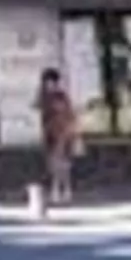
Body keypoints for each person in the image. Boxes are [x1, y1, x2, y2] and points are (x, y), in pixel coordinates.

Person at [36, 68, 80, 205]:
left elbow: (68, 115)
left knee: (61, 163)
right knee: (54, 163)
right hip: (50, 134)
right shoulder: (44, 97)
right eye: (46, 83)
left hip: (62, 133)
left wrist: (72, 133)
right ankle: (60, 190)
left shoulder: (61, 97)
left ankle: (62, 189)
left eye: (50, 82)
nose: (48, 86)